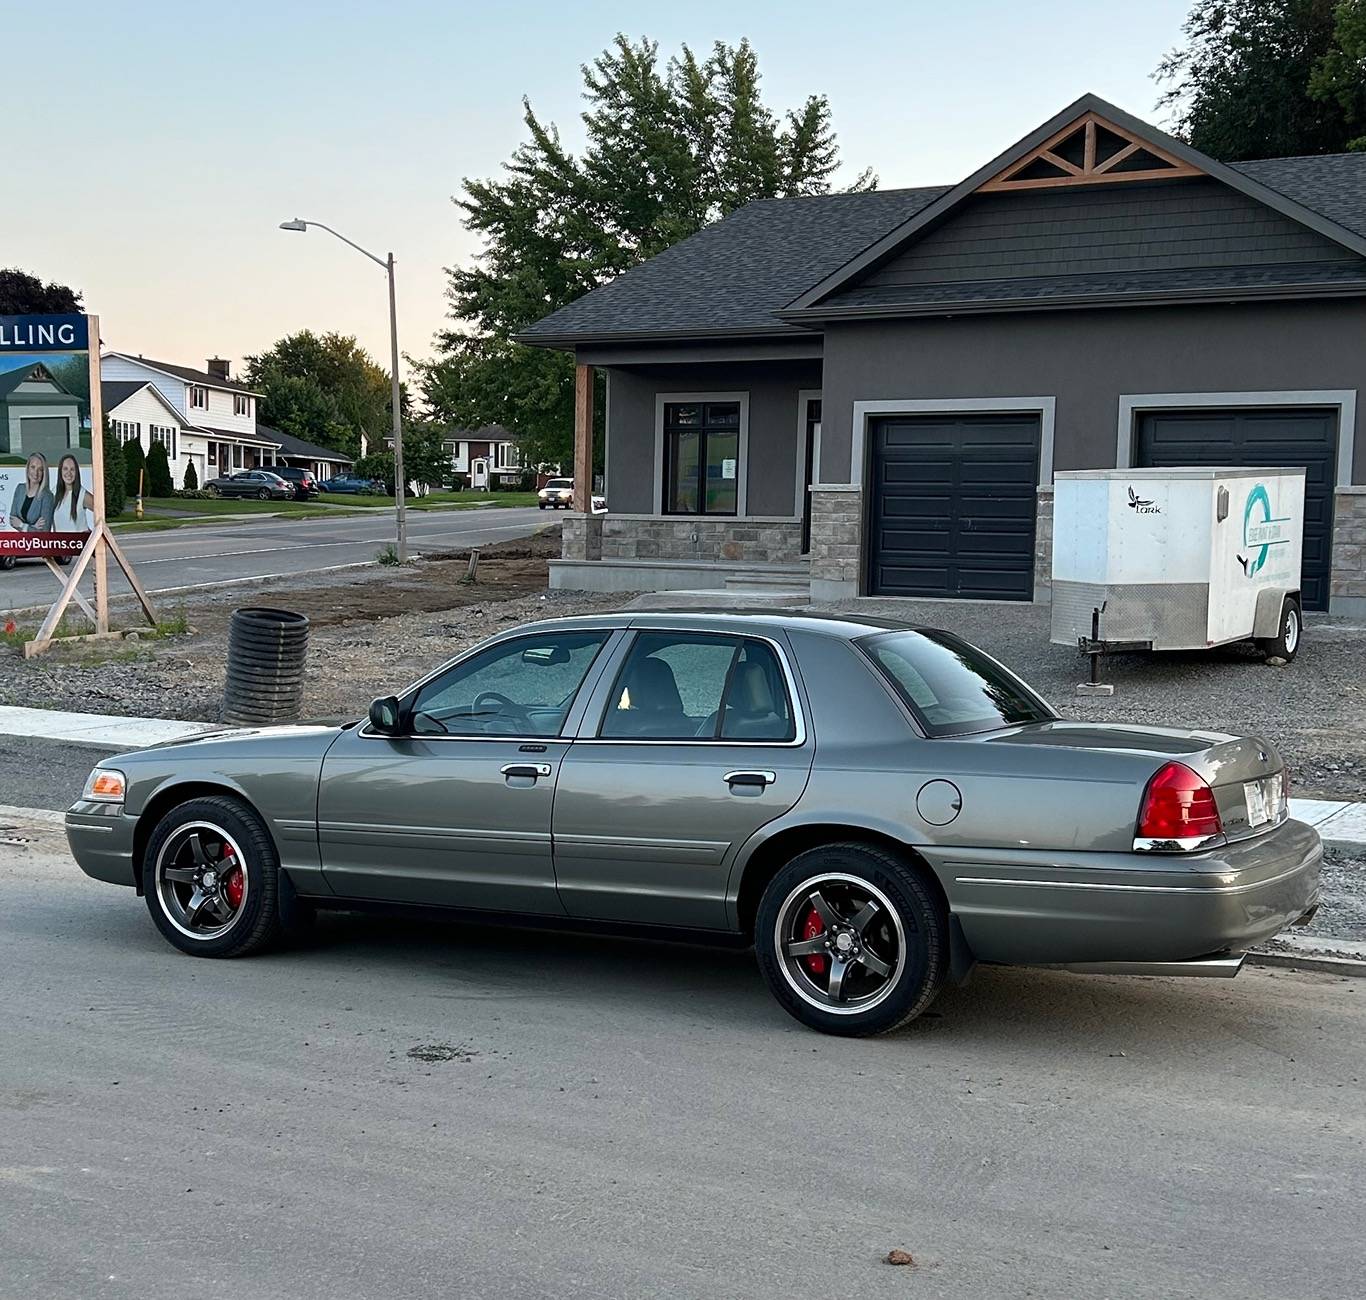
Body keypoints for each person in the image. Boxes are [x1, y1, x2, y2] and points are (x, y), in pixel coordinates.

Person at [7, 452, 54, 533]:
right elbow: (12, 520)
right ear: (27, 468)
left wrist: (23, 525)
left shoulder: (47, 496)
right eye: (33, 467)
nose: (36, 473)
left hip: (37, 544)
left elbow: (44, 531)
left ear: (44, 473)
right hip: (20, 542)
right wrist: (33, 527)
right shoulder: (20, 488)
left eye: (40, 469)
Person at [51, 454, 96, 534]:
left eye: (72, 469)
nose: (69, 473)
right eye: (65, 469)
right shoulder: (54, 492)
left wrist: (93, 536)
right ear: (60, 471)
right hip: (61, 544)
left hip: (79, 544)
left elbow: (101, 510)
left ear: (76, 472)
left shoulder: (82, 495)